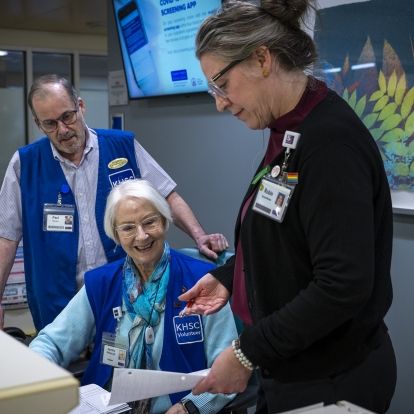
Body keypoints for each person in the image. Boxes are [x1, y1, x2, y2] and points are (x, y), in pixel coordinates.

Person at [179, 1, 397, 413]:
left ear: (262, 58)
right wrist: (231, 276)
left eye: (221, 84)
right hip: (290, 370)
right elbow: (284, 233)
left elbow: (342, 284)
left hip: (332, 380)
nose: (220, 103)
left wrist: (246, 353)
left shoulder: (329, 143)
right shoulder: (290, 130)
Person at [0, 74, 228, 331]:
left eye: (67, 116)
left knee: (124, 362)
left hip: (125, 293)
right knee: (60, 363)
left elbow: (166, 195)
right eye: (50, 123)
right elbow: (6, 239)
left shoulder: (122, 146)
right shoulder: (25, 164)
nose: (62, 130)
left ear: (81, 106)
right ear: (38, 124)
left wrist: (199, 235)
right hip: (57, 301)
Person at [29, 179, 237, 414]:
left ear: (164, 221)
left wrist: (191, 407)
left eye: (150, 222)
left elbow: (230, 368)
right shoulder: (102, 283)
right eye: (128, 227)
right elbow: (51, 342)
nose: (141, 236)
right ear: (116, 235)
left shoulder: (203, 281)